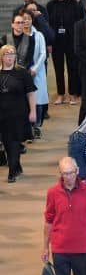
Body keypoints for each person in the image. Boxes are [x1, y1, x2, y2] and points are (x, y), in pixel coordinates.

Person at [0, 44, 35, 181]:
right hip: (2, 115)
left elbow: (31, 94)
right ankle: (17, 166)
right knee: (7, 142)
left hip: (18, 114)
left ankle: (12, 171)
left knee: (14, 141)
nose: (10, 56)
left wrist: (33, 111)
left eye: (12, 54)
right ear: (1, 56)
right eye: (7, 54)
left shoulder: (22, 73)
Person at [47, 0, 83, 106]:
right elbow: (48, 24)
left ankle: (72, 94)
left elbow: (79, 21)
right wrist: (49, 42)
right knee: (58, 69)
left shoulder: (73, 3)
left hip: (71, 40)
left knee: (72, 68)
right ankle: (60, 94)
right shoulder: (50, 5)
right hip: (56, 41)